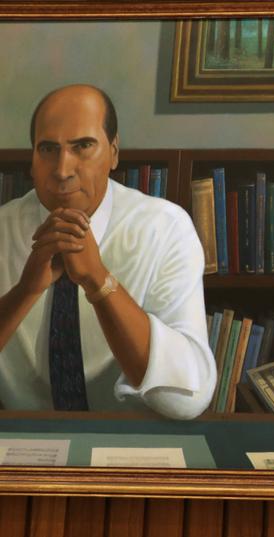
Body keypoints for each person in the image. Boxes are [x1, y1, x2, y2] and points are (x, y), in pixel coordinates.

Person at [0, 84, 215, 420]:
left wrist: (98, 280)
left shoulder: (166, 227)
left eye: (82, 146)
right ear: (32, 160)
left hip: (132, 443)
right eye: (47, 149)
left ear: (114, 152)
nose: (62, 170)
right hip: (24, 443)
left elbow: (187, 400)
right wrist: (26, 290)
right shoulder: (2, 227)